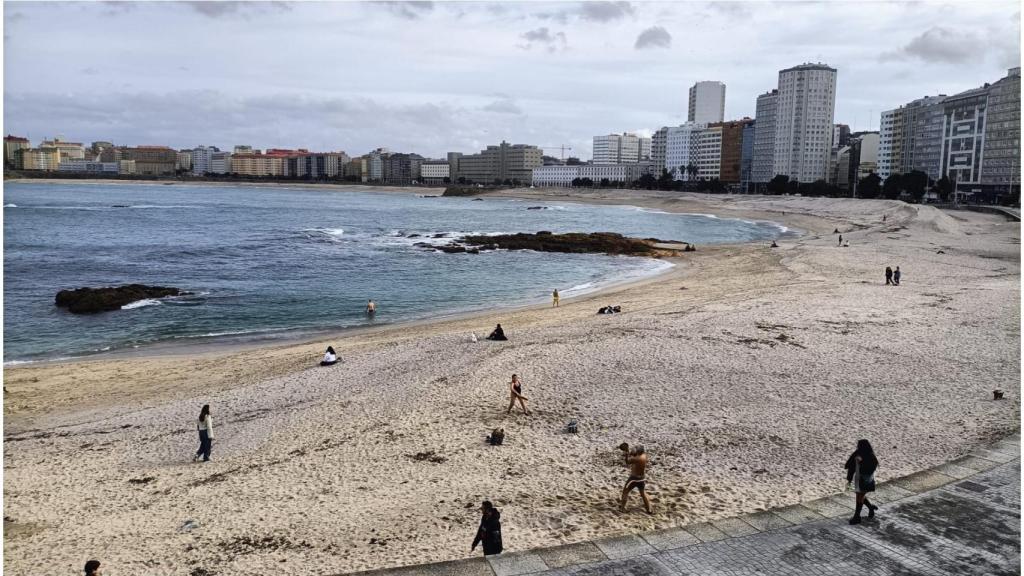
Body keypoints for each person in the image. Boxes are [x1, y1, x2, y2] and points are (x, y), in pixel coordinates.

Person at [845, 439, 879, 524]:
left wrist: (861, 462)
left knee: (859, 497)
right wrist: (849, 479)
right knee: (860, 496)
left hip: (865, 480)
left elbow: (870, 469)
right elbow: (851, 467)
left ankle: (857, 517)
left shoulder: (870, 456)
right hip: (859, 479)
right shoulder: (857, 454)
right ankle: (870, 508)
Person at [619, 444, 653, 514]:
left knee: (625, 491)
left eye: (636, 448)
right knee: (643, 493)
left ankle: (622, 508)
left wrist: (626, 454)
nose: (634, 448)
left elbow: (627, 462)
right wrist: (629, 452)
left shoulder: (636, 459)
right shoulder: (644, 456)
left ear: (638, 452)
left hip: (634, 479)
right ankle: (649, 509)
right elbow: (634, 454)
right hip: (642, 478)